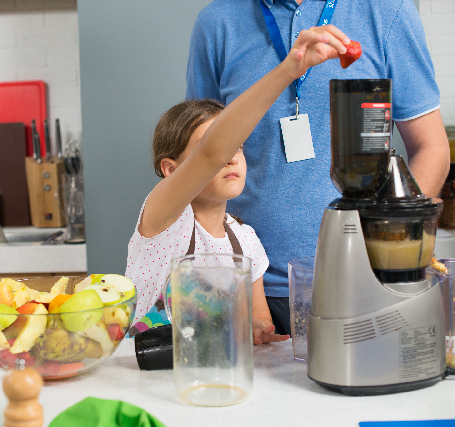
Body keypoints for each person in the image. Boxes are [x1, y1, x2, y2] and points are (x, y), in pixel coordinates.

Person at [185, 0, 451, 335]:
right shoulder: (216, 22)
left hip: (364, 283)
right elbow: (199, 158)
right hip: (243, 287)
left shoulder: (388, 11)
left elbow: (431, 147)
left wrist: (393, 249)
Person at [126, 25, 351, 344]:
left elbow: (260, 322)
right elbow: (212, 153)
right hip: (146, 373)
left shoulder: (245, 241)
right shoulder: (164, 220)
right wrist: (289, 70)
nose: (230, 157)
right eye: (217, 150)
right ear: (171, 170)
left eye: (239, 147)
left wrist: (258, 329)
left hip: (212, 374)